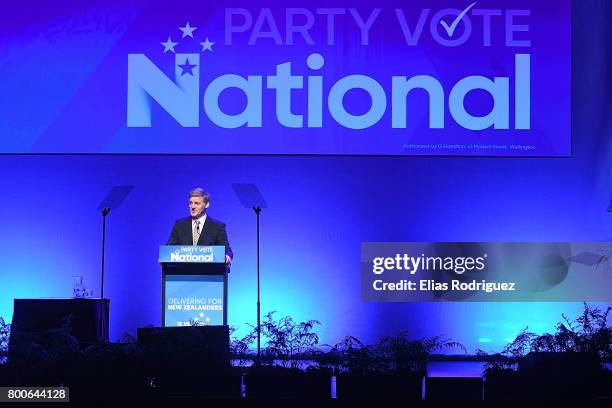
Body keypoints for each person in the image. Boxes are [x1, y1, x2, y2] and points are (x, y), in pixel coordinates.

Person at [167, 187, 233, 266]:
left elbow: (227, 250)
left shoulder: (217, 227)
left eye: (197, 203)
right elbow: (169, 248)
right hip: (183, 273)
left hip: (209, 274)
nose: (192, 206)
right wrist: (164, 256)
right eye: (190, 203)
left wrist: (227, 256)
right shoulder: (180, 225)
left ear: (207, 204)